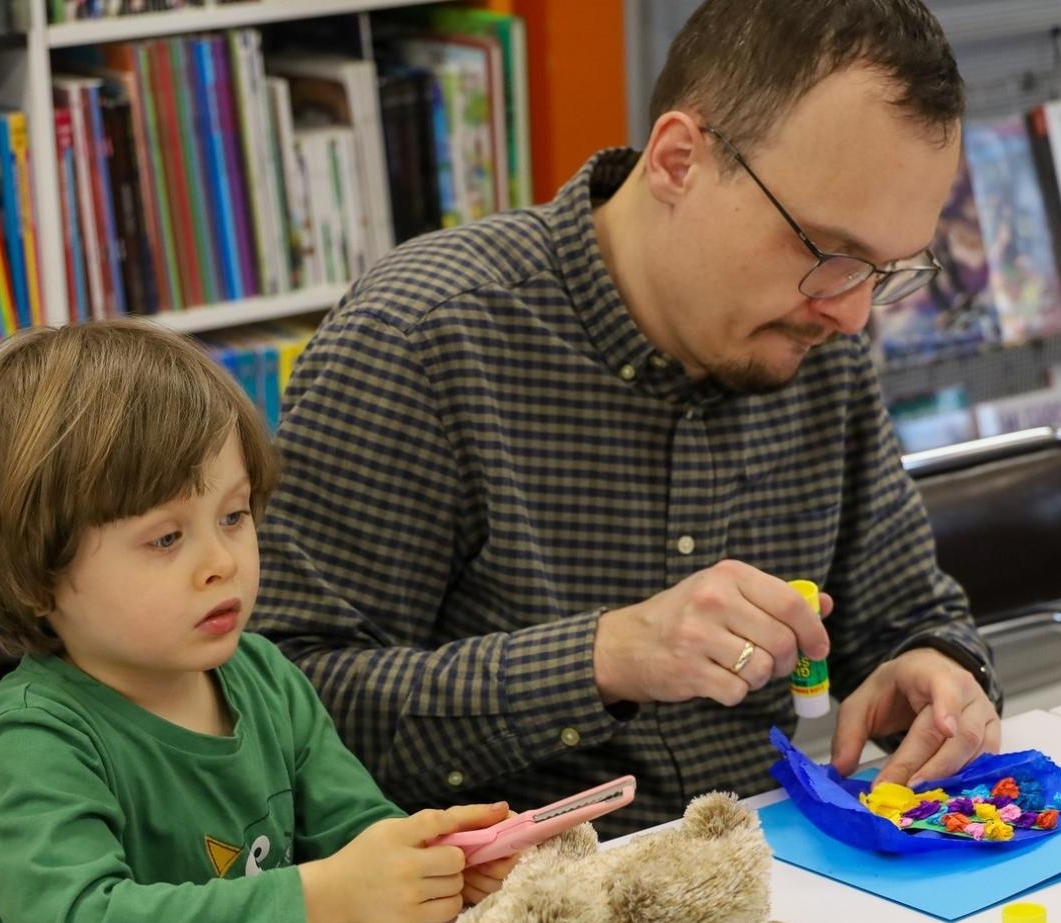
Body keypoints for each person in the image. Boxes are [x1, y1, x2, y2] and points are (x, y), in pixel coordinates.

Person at [254, 0, 1001, 837]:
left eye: (888, 268)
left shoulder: (812, 336)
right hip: (499, 920)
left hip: (770, 882)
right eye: (827, 252)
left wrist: (939, 666)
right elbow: (279, 714)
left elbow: (904, 609)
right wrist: (605, 658)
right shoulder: (425, 340)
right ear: (678, 160)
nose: (854, 314)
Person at [0, 321, 515, 923]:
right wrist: (329, 894)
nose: (223, 561)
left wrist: (436, 862)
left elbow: (354, 829)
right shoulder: (32, 738)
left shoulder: (262, 673)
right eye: (167, 537)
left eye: (234, 515)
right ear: (35, 576)